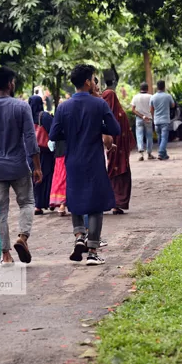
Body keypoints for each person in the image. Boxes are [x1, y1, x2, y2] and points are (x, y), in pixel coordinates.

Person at [49, 65, 120, 266]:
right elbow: (114, 128)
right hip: (93, 159)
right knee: (96, 204)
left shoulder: (63, 107)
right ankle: (92, 252)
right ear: (88, 81)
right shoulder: (99, 104)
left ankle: (79, 236)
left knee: (75, 197)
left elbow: (54, 134)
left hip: (73, 160)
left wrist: (71, 134)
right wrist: (98, 128)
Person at [0, 67, 41, 265]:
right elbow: (30, 138)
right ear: (10, 84)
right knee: (27, 203)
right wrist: (37, 165)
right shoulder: (21, 107)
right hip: (19, 166)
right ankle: (23, 237)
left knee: (0, 211)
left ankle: (6, 254)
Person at [102, 87, 136, 215]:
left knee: (114, 174)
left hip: (115, 151)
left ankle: (115, 203)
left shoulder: (109, 115)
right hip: (119, 153)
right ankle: (117, 203)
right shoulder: (120, 114)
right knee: (118, 174)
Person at [28, 95, 55, 216]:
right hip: (45, 152)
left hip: (30, 152)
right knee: (47, 175)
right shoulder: (43, 116)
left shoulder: (26, 117)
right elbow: (53, 131)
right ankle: (48, 201)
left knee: (34, 177)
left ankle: (37, 205)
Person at [149, 80, 175, 161]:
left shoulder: (153, 97)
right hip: (165, 120)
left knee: (160, 137)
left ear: (157, 87)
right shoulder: (168, 96)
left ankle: (164, 155)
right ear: (164, 87)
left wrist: (153, 117)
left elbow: (151, 109)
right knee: (164, 138)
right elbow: (173, 105)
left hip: (156, 121)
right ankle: (161, 152)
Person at [131, 83, 155, 161]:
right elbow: (152, 109)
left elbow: (133, 110)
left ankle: (141, 152)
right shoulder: (151, 97)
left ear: (140, 88)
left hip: (139, 119)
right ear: (147, 89)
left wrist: (141, 116)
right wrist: (150, 116)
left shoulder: (135, 97)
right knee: (149, 136)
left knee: (139, 135)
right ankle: (149, 153)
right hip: (148, 119)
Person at [49, 138, 68, 215]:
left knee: (61, 177)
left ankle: (61, 204)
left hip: (61, 150)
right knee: (63, 177)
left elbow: (53, 133)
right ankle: (62, 204)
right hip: (67, 150)